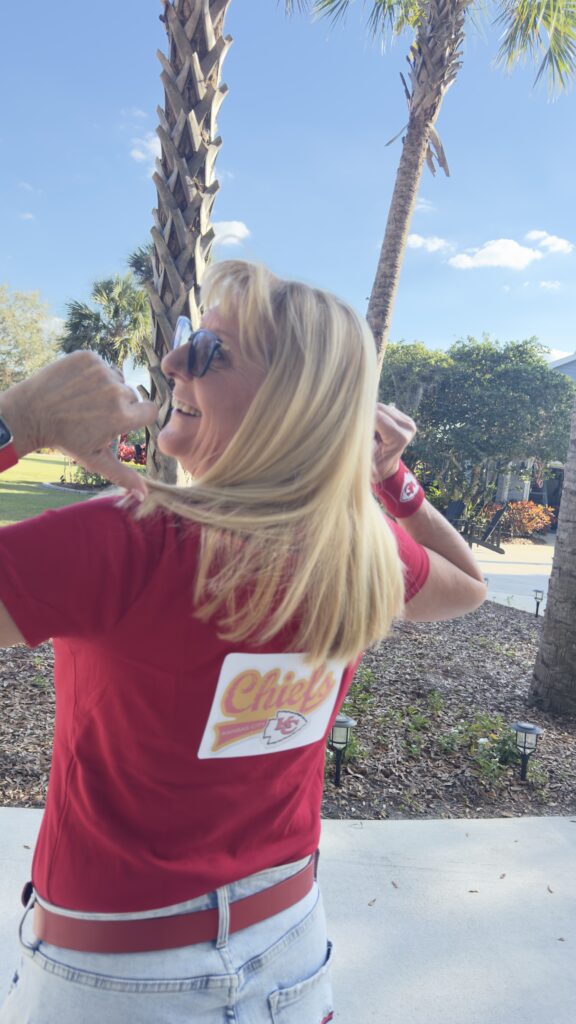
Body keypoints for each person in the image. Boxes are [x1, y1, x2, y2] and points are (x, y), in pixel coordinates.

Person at [0, 260, 486, 1023]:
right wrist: (392, 480)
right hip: (290, 948)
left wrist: (12, 425)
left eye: (208, 351)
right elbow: (469, 582)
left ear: (294, 402)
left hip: (114, 978)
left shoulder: (127, 541)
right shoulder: (362, 556)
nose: (170, 362)